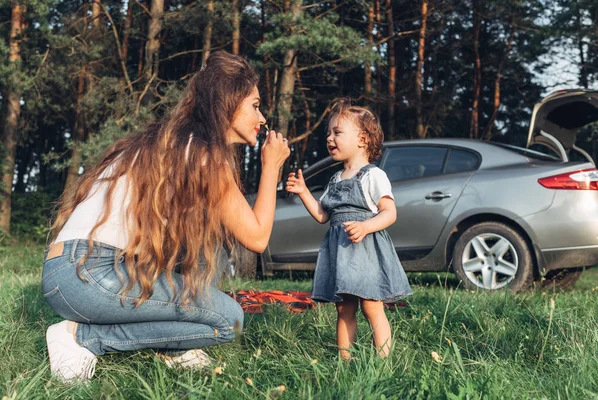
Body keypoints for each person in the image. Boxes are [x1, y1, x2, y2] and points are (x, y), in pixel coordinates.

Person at [42, 51, 290, 382]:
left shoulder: (170, 144)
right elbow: (257, 238)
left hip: (70, 272)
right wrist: (271, 166)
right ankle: (81, 338)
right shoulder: (205, 157)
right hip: (89, 275)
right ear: (229, 104)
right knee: (229, 321)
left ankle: (173, 348)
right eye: (255, 105)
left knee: (200, 255)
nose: (262, 118)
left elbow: (188, 250)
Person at [285, 99, 411, 360]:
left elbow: (390, 213)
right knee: (343, 309)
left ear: (362, 139)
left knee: (372, 306)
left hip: (365, 251)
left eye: (337, 132)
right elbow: (322, 215)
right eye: (329, 133)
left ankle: (383, 361)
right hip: (341, 253)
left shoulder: (372, 176)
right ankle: (345, 361)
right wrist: (303, 192)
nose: (330, 139)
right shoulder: (335, 179)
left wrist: (366, 226)